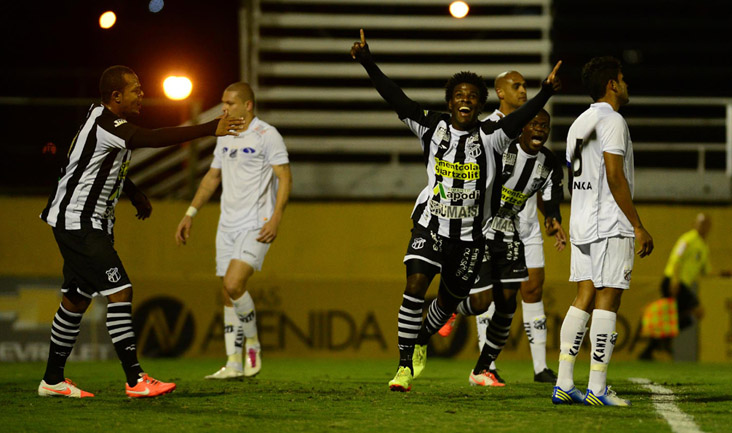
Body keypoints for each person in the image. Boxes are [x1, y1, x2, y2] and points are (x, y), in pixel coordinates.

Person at [350, 29, 562, 392]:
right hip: (431, 227)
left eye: (473, 96)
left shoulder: (493, 136)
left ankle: (420, 340)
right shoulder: (431, 127)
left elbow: (519, 118)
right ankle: (403, 367)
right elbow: (395, 98)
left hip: (470, 239)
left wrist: (544, 92)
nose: (465, 100)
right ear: (450, 102)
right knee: (415, 285)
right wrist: (369, 62)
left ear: (480, 105)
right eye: (459, 95)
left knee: (452, 303)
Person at [38, 65, 246, 399]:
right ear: (115, 97)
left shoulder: (100, 122)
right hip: (80, 222)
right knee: (120, 290)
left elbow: (97, 165)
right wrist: (209, 128)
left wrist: (133, 192)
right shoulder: (107, 123)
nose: (141, 94)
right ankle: (136, 379)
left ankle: (52, 379)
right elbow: (149, 138)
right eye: (135, 89)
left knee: (75, 301)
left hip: (81, 222)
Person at [439, 71, 566, 386]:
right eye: (517, 86)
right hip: (489, 223)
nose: (523, 91)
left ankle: (540, 368)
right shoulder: (490, 128)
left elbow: (542, 182)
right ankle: (487, 364)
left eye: (525, 86)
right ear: (500, 92)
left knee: (533, 288)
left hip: (523, 222)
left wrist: (552, 217)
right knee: (490, 296)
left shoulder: (541, 145)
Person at [552, 56, 653, 407]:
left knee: (584, 296)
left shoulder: (577, 124)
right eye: (622, 79)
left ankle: (564, 381)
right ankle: (597, 387)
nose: (626, 85)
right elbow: (614, 174)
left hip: (582, 220)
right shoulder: (613, 120)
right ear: (611, 84)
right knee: (608, 297)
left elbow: (572, 176)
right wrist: (637, 225)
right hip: (609, 222)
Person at [175, 82, 292, 379]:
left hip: (256, 223)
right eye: (223, 102)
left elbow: (285, 177)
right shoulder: (224, 137)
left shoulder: (267, 135)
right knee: (227, 295)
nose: (224, 108)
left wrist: (276, 217)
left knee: (234, 284)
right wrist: (190, 213)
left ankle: (252, 344)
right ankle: (233, 363)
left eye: (230, 103)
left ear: (247, 105)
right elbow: (212, 178)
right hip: (226, 224)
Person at [639, 213, 727, 360]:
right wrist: (675, 280)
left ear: (709, 227)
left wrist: (722, 273)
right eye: (700, 223)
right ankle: (661, 341)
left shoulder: (703, 246)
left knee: (673, 319)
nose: (703, 226)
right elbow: (676, 259)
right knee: (697, 312)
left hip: (682, 285)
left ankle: (651, 349)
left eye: (705, 224)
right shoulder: (688, 239)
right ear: (694, 224)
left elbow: (706, 271)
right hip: (674, 281)